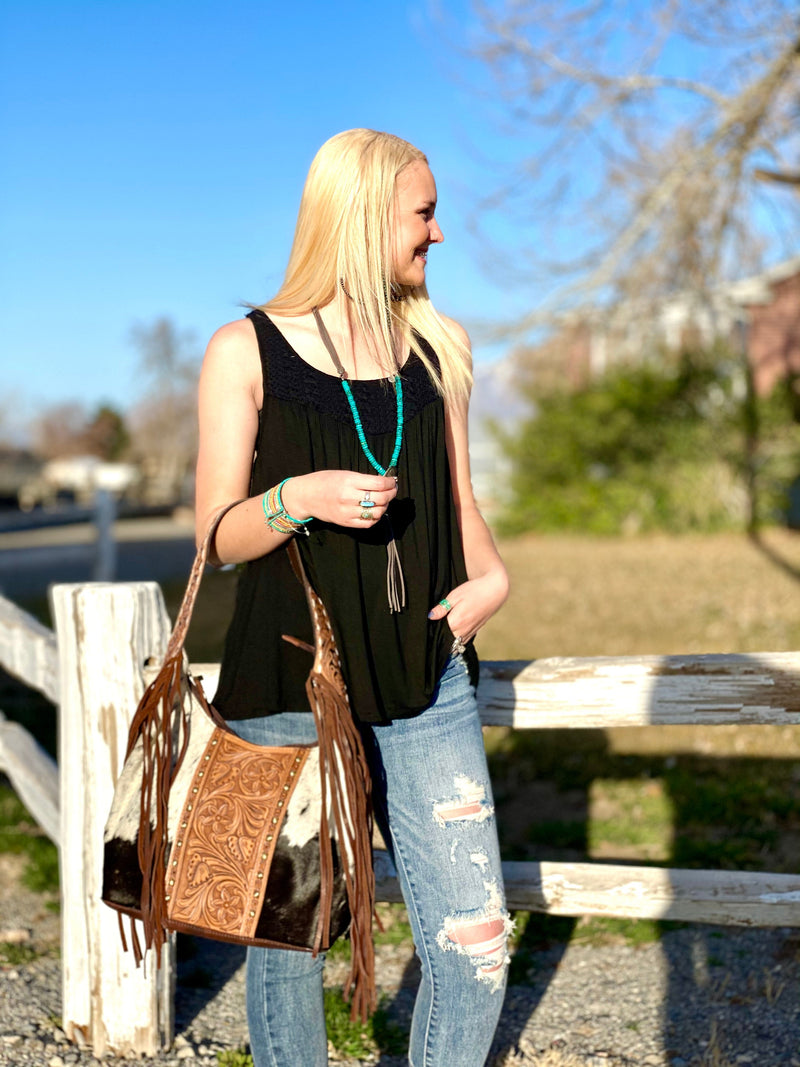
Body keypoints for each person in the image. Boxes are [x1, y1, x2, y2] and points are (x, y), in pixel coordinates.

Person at [195, 128, 511, 1067]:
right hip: (288, 686)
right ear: (367, 213)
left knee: (476, 942)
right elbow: (215, 536)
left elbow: (460, 500)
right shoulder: (243, 349)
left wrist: (492, 576)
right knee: (290, 942)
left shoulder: (440, 344)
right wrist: (298, 499)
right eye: (424, 211)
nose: (439, 232)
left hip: (425, 677)